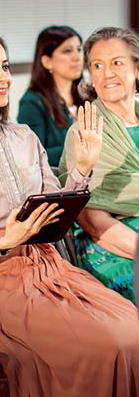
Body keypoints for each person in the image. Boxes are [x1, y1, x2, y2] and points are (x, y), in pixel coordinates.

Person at [0, 27, 139, 397]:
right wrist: (5, 242)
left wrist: (82, 169)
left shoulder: (24, 137)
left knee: (132, 331)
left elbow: (59, 214)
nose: (3, 77)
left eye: (4, 66)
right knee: (105, 346)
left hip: (50, 267)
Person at [60, 27, 139, 302]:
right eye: (97, 65)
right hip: (108, 246)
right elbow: (92, 221)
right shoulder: (84, 130)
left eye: (117, 63)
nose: (106, 74)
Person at [18, 26, 87, 168]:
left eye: (79, 49)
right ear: (47, 61)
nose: (77, 57)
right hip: (60, 183)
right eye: (67, 51)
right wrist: (81, 147)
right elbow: (34, 156)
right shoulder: (31, 103)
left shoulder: (89, 95)